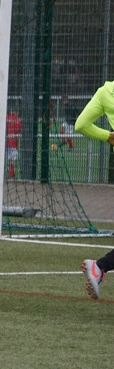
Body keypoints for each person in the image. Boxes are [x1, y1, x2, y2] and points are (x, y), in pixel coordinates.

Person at [74, 80, 114, 299]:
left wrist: (108, 136)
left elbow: (81, 125)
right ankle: (99, 267)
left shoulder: (106, 91)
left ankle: (99, 267)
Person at [5, 110, 21, 178]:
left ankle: (8, 172)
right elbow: (18, 131)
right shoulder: (17, 120)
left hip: (6, 142)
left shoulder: (6, 117)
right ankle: (11, 173)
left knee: (6, 158)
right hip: (13, 143)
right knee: (12, 159)